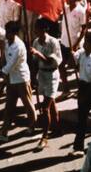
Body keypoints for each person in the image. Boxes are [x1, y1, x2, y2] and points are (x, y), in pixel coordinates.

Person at [0, 19, 37, 141]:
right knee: (9, 107)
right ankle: (4, 133)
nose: (6, 35)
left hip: (21, 79)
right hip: (11, 80)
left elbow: (10, 65)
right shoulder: (8, 41)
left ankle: (32, 126)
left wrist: (0, 75)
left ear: (14, 33)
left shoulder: (19, 47)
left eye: (8, 32)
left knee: (28, 105)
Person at [31, 17, 64, 147]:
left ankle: (44, 136)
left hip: (52, 75)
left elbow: (52, 61)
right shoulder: (35, 42)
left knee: (44, 107)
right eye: (35, 29)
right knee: (51, 102)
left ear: (44, 29)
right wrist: (33, 77)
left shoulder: (53, 42)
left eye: (38, 29)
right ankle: (57, 126)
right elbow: (34, 62)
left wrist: (39, 55)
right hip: (42, 74)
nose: (35, 31)